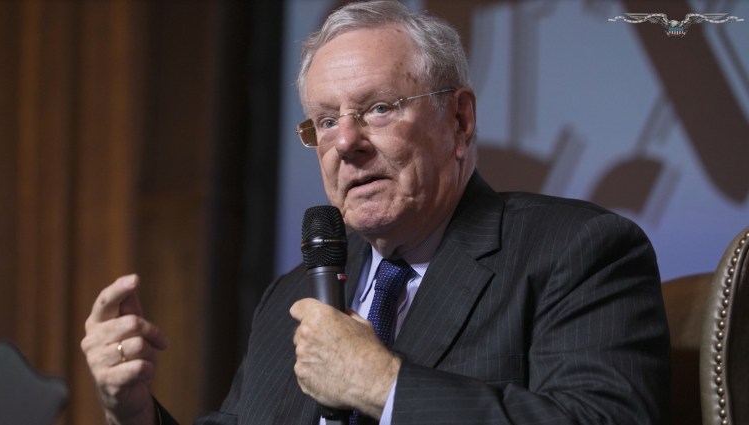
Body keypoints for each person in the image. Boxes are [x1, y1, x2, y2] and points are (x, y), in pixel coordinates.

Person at [81, 1, 672, 424]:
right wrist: (132, 413)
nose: (346, 143)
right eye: (327, 121)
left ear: (460, 122)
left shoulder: (577, 250)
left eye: (379, 108)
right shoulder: (294, 296)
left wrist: (381, 384)